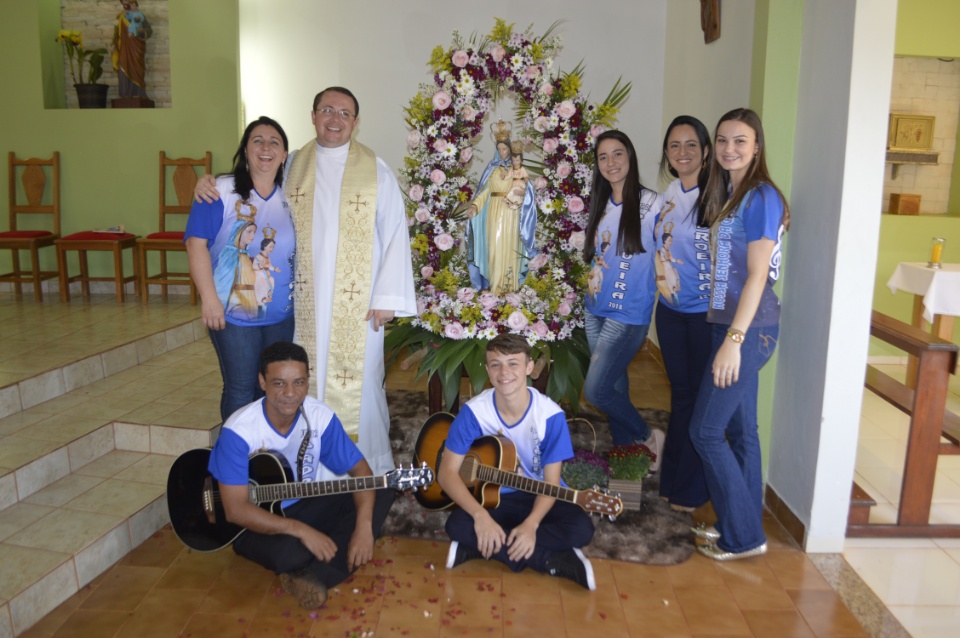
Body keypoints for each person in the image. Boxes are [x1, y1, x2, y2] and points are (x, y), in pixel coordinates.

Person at [196, 87, 416, 477]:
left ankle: (365, 464)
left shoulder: (377, 170)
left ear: (356, 122)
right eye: (327, 110)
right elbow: (252, 180)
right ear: (313, 116)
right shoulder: (294, 163)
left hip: (359, 303)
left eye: (344, 113)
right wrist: (206, 182)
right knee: (298, 381)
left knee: (362, 384)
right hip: (304, 303)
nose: (335, 119)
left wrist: (387, 298)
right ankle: (300, 463)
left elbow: (397, 232)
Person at [207, 341, 393, 609]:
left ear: (308, 381)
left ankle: (312, 574)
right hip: (251, 523)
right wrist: (302, 531)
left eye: (299, 382)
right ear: (262, 382)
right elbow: (236, 511)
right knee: (292, 552)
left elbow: (361, 471)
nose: (290, 393)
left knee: (382, 487)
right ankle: (313, 557)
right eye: (279, 383)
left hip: (301, 504)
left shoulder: (319, 417)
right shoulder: (239, 430)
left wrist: (363, 528)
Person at [688, 108, 789, 561]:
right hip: (727, 326)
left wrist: (734, 341)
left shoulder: (762, 196)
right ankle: (744, 526)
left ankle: (743, 536)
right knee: (743, 430)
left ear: (757, 147)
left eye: (740, 141)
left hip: (747, 331)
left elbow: (756, 276)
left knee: (706, 432)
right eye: (724, 140)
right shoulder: (731, 193)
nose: (730, 149)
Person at [438, 333, 596, 589]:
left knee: (581, 529)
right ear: (488, 370)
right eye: (496, 364)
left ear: (529, 368)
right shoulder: (473, 413)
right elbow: (447, 473)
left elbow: (552, 483)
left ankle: (482, 548)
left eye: (513, 363)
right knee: (457, 524)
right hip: (494, 496)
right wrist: (480, 516)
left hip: (541, 495)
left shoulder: (549, 416)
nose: (504, 372)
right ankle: (549, 560)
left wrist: (532, 525)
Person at [185, 116, 295, 422]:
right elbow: (195, 245)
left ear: (284, 155)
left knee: (272, 390)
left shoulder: (294, 194)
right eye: (257, 140)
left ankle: (265, 460)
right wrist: (209, 299)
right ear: (245, 150)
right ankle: (233, 464)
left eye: (275, 142)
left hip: (281, 317)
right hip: (233, 314)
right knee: (241, 389)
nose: (265, 147)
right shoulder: (219, 190)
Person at [581, 130, 665, 470]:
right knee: (615, 385)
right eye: (603, 157)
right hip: (594, 310)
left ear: (630, 157)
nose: (611, 163)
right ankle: (624, 454)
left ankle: (648, 436)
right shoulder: (599, 204)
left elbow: (672, 247)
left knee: (596, 391)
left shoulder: (653, 204)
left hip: (628, 314)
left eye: (618, 154)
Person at [653, 116, 714, 513]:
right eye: (675, 146)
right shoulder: (667, 197)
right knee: (681, 396)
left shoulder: (718, 197)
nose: (683, 153)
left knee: (699, 401)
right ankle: (672, 480)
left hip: (705, 316)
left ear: (706, 152)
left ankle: (692, 490)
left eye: (691, 145)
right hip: (671, 313)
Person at [465, 124, 537, 294]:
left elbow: (526, 189)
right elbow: (485, 192)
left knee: (511, 248)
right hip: (493, 213)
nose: (502, 152)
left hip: (511, 212)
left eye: (505, 148)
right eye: (500, 149)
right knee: (494, 249)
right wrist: (475, 206)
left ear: (510, 149)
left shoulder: (517, 170)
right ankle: (493, 287)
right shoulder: (492, 170)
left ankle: (509, 289)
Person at [111, 0, 152, 99]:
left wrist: (141, 31)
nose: (126, 2)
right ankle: (125, 95)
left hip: (136, 47)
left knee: (137, 68)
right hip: (123, 48)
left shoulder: (139, 13)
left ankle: (138, 93)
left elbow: (149, 30)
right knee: (123, 68)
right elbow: (117, 33)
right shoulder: (119, 17)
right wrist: (113, 45)